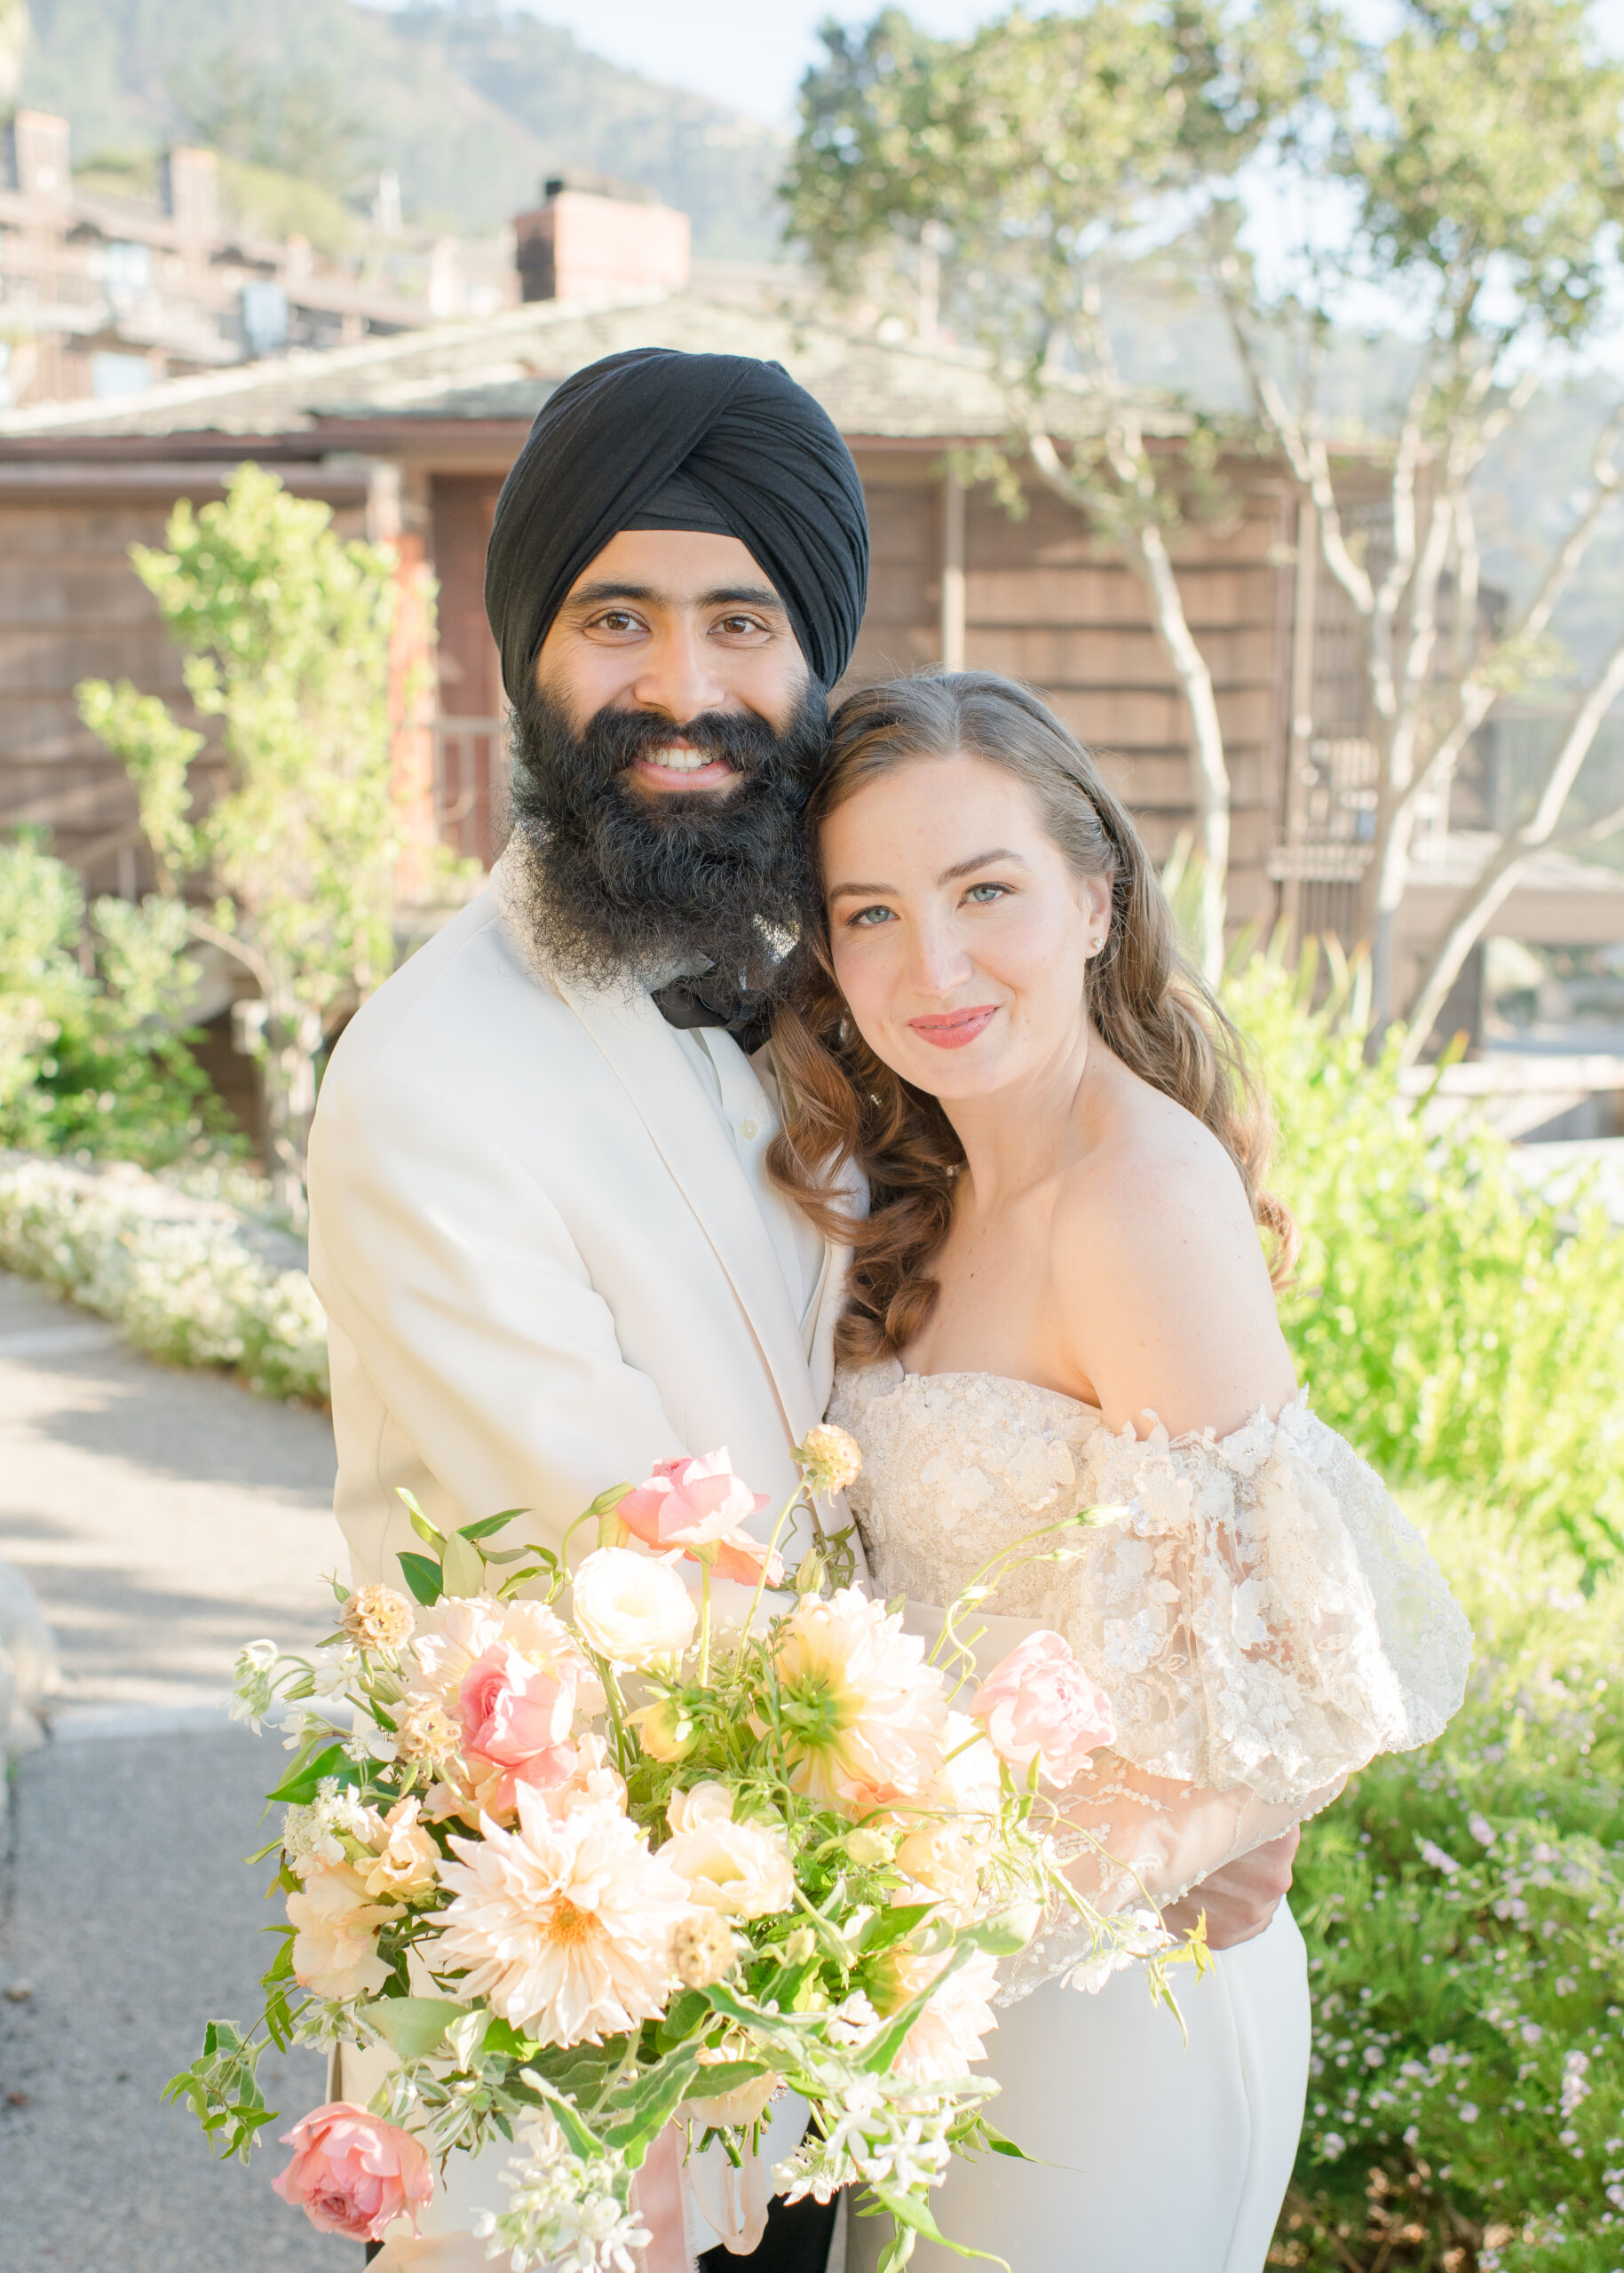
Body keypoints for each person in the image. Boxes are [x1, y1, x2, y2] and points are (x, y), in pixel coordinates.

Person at [768, 672, 1471, 2273]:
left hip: (1112, 2007)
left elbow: (1312, 1677)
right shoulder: (924, 1190)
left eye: (984, 892)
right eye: (867, 913)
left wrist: (967, 1925)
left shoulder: (1136, 1200)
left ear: (1094, 900)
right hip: (944, 2003)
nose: (928, 965)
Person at [306, 346, 871, 2273]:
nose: (686, 691)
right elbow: (633, 1576)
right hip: (566, 2054)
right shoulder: (434, 1072)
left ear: (816, 667)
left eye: (742, 620)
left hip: (840, 2025)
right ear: (524, 658)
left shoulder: (857, 999)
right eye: (615, 618)